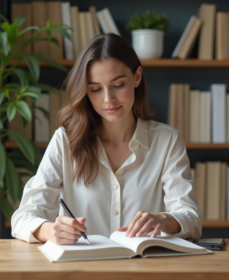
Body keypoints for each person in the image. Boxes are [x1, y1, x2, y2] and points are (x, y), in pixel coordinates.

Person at [11, 33, 202, 245]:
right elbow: (23, 217)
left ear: (137, 77)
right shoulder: (65, 141)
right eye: (95, 89)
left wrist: (164, 219)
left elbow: (191, 218)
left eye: (118, 85)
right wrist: (50, 231)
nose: (108, 99)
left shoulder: (166, 141)